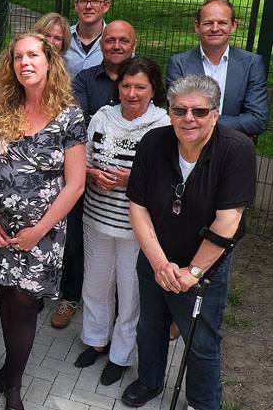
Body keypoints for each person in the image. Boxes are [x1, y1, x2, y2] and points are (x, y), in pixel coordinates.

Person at [122, 75, 256, 410]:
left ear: (215, 114)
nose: (188, 118)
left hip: (205, 267)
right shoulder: (153, 143)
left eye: (199, 111)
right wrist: (159, 264)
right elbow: (137, 207)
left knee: (200, 339)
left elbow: (228, 221)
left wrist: (192, 272)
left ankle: (203, 402)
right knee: (149, 325)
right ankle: (150, 380)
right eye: (179, 110)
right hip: (156, 256)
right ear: (169, 112)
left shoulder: (236, 149)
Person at [0, 31, 86, 410]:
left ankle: (14, 386)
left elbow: (75, 183)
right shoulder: (0, 108)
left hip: (41, 234)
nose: (25, 62)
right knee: (8, 297)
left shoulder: (70, 116)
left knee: (23, 303)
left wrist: (38, 230)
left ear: (50, 62)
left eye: (33, 55)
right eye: (18, 56)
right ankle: (11, 364)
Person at [76, 57, 170, 386]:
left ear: (153, 90)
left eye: (140, 87)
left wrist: (134, 180)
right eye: (126, 86)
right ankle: (95, 341)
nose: (132, 93)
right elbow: (82, 161)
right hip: (97, 217)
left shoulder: (163, 125)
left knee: (130, 295)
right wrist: (92, 174)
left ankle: (120, 355)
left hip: (136, 228)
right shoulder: (102, 117)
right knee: (95, 285)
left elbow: (169, 179)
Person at [55, 20, 138, 329]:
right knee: (76, 240)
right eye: (110, 40)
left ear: (134, 45)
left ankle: (121, 310)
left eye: (123, 40)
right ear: (102, 44)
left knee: (126, 249)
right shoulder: (86, 79)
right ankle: (70, 297)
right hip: (87, 172)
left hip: (130, 184)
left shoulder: (141, 79)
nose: (116, 46)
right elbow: (80, 124)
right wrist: (89, 171)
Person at [166, 0, 268, 138]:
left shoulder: (251, 64)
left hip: (234, 144)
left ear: (233, 26)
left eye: (222, 23)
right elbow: (176, 112)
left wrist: (206, 122)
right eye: (208, 23)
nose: (215, 28)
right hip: (189, 143)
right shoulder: (179, 64)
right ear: (197, 26)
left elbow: (257, 119)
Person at [63, 0, 112, 76]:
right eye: (83, 1)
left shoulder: (116, 43)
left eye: (95, 1)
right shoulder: (62, 37)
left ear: (106, 6)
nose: (88, 6)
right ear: (76, 5)